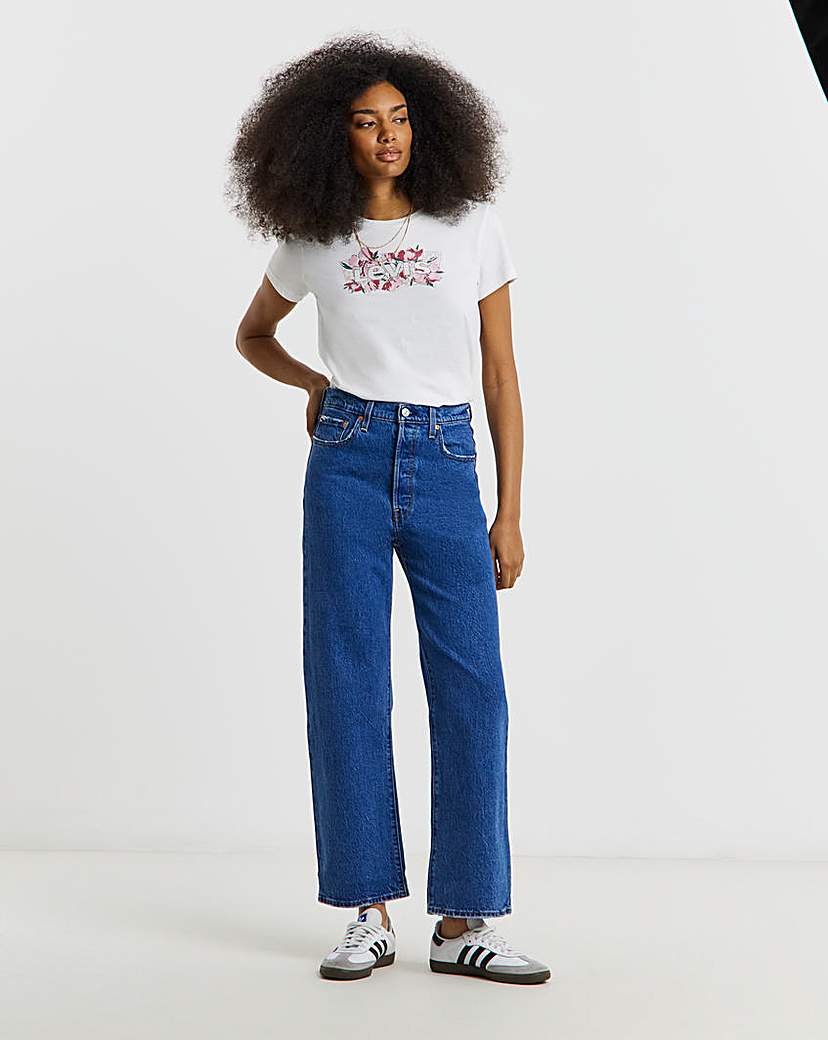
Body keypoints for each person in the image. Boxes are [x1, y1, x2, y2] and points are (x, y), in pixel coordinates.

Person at [228, 32, 551, 986]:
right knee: (348, 680)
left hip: (448, 460)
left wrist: (510, 510)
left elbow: (501, 375)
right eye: (367, 122)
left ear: (427, 125)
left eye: (401, 118)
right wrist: (312, 385)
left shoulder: (471, 226)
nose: (388, 135)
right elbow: (253, 335)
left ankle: (464, 920)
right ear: (332, 135)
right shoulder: (313, 238)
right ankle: (365, 911)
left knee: (472, 685)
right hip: (348, 460)